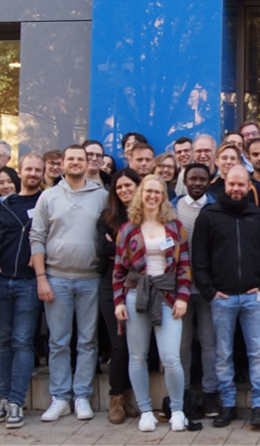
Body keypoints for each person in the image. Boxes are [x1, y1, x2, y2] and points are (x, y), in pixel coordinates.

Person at [190, 166, 260, 430]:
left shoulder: (258, 216)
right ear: (224, 184)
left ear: (249, 185)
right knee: (223, 354)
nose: (236, 189)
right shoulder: (209, 215)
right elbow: (199, 257)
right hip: (222, 298)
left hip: (253, 297)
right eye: (232, 185)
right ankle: (227, 405)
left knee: (257, 354)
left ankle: (259, 407)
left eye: (241, 185)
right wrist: (209, 290)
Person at [29, 145, 109, 423]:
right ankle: (60, 397)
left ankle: (82, 396)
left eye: (80, 159)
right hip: (56, 278)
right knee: (58, 342)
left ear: (89, 163)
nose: (75, 163)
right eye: (70, 158)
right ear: (62, 163)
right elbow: (36, 237)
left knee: (88, 341)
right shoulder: (48, 197)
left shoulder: (101, 197)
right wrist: (41, 278)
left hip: (91, 280)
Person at [113, 175, 192, 432]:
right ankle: (146, 411)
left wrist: (182, 297)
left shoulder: (175, 227)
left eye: (157, 192)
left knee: (171, 357)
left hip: (168, 295)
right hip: (136, 295)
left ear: (163, 196)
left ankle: (178, 410)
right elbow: (118, 270)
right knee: (137, 357)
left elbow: (184, 266)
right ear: (141, 194)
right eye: (148, 191)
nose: (152, 196)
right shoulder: (127, 229)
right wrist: (118, 302)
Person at [0, 154, 47, 429]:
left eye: (38, 170)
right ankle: (3, 398)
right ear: (20, 172)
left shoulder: (47, 202)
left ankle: (16, 402)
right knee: (4, 340)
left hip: (29, 282)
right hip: (1, 281)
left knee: (23, 341)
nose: (33, 173)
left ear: (43, 173)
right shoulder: (2, 205)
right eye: (29, 169)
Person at [95, 169, 143, 424]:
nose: (124, 190)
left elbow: (146, 250)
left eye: (129, 185)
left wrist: (119, 249)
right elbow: (103, 250)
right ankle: (116, 399)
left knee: (137, 346)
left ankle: (130, 395)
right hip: (110, 286)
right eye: (119, 187)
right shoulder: (107, 218)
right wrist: (130, 250)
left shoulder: (148, 215)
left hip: (141, 285)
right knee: (119, 342)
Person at [172, 163, 219, 418]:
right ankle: (185, 392)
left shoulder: (215, 207)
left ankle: (211, 393)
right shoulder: (172, 207)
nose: (198, 183)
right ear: (185, 180)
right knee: (182, 343)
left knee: (210, 342)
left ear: (209, 181)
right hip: (180, 287)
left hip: (208, 287)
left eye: (202, 179)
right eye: (193, 179)